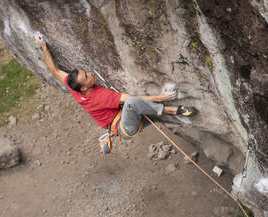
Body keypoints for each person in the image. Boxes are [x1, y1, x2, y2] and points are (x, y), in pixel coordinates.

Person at [36, 35, 197, 139]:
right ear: (84, 87)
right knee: (133, 104)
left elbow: (55, 71)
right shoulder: (99, 97)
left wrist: (43, 46)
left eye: (86, 72)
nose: (91, 74)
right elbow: (133, 100)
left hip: (126, 120)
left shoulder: (74, 86)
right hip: (125, 127)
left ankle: (178, 117)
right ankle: (172, 110)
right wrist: (160, 98)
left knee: (148, 112)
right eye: (87, 76)